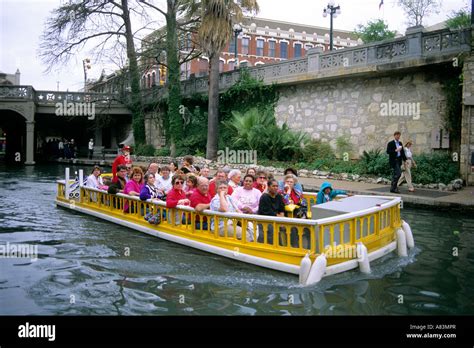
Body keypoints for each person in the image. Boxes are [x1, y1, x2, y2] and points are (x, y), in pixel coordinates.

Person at [258, 179, 286, 245]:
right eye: (273, 186)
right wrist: (280, 218)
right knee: (272, 229)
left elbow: (282, 209)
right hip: (266, 220)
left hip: (277, 218)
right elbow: (267, 211)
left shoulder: (279, 196)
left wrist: (282, 219)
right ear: (269, 186)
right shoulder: (264, 197)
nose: (275, 188)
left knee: (292, 228)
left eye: (277, 186)